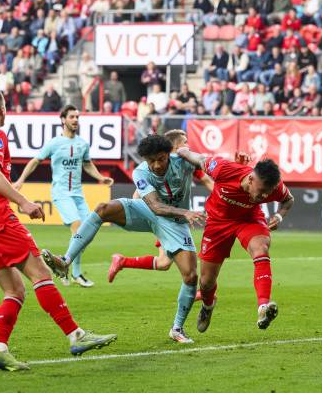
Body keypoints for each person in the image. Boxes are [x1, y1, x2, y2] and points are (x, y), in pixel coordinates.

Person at [0, 88, 116, 371]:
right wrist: (23, 202)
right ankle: (76, 335)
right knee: (41, 273)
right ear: (1, 109)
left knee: (15, 290)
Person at [42, 135, 206, 344]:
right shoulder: (141, 171)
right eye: (151, 160)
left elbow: (205, 163)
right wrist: (186, 212)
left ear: (169, 155)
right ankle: (65, 261)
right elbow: (155, 207)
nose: (156, 165)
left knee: (191, 277)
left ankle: (177, 328)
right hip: (148, 210)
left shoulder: (183, 162)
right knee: (102, 209)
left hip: (174, 223)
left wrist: (186, 153)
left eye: (161, 159)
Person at [177, 148, 294, 332]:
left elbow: (288, 200)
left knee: (261, 248)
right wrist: (182, 151)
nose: (264, 196)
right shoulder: (223, 169)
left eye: (267, 193)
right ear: (251, 179)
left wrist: (279, 216)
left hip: (249, 220)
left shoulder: (274, 187)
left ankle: (263, 307)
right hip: (217, 222)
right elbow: (199, 159)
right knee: (206, 282)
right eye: (262, 191)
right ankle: (208, 305)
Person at [14, 105, 114, 288]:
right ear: (63, 120)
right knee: (77, 227)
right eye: (72, 117)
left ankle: (67, 268)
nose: (75, 120)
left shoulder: (82, 144)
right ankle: (72, 270)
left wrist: (101, 178)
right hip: (61, 193)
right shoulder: (54, 143)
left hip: (78, 194)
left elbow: (88, 164)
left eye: (77, 117)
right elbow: (36, 161)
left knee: (88, 233)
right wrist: (20, 180)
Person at [108, 130, 215, 281]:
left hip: (172, 219)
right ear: (175, 148)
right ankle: (203, 291)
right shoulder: (154, 169)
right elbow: (137, 196)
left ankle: (122, 261)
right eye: (185, 142)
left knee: (164, 263)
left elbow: (208, 180)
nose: (188, 146)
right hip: (165, 220)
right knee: (180, 265)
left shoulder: (183, 164)